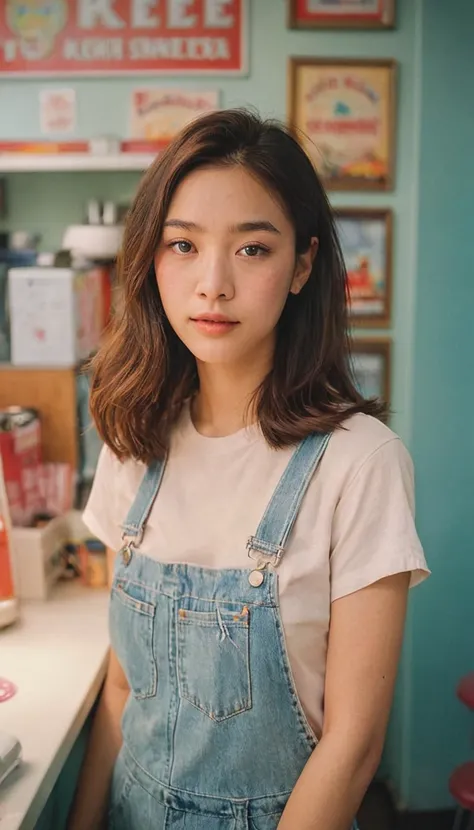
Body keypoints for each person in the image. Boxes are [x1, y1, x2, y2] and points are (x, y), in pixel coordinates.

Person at [69, 108, 429, 830]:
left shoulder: (361, 463)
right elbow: (121, 689)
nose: (212, 284)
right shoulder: (132, 442)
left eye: (253, 250)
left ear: (301, 265)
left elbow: (353, 748)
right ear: (150, 259)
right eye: (183, 245)